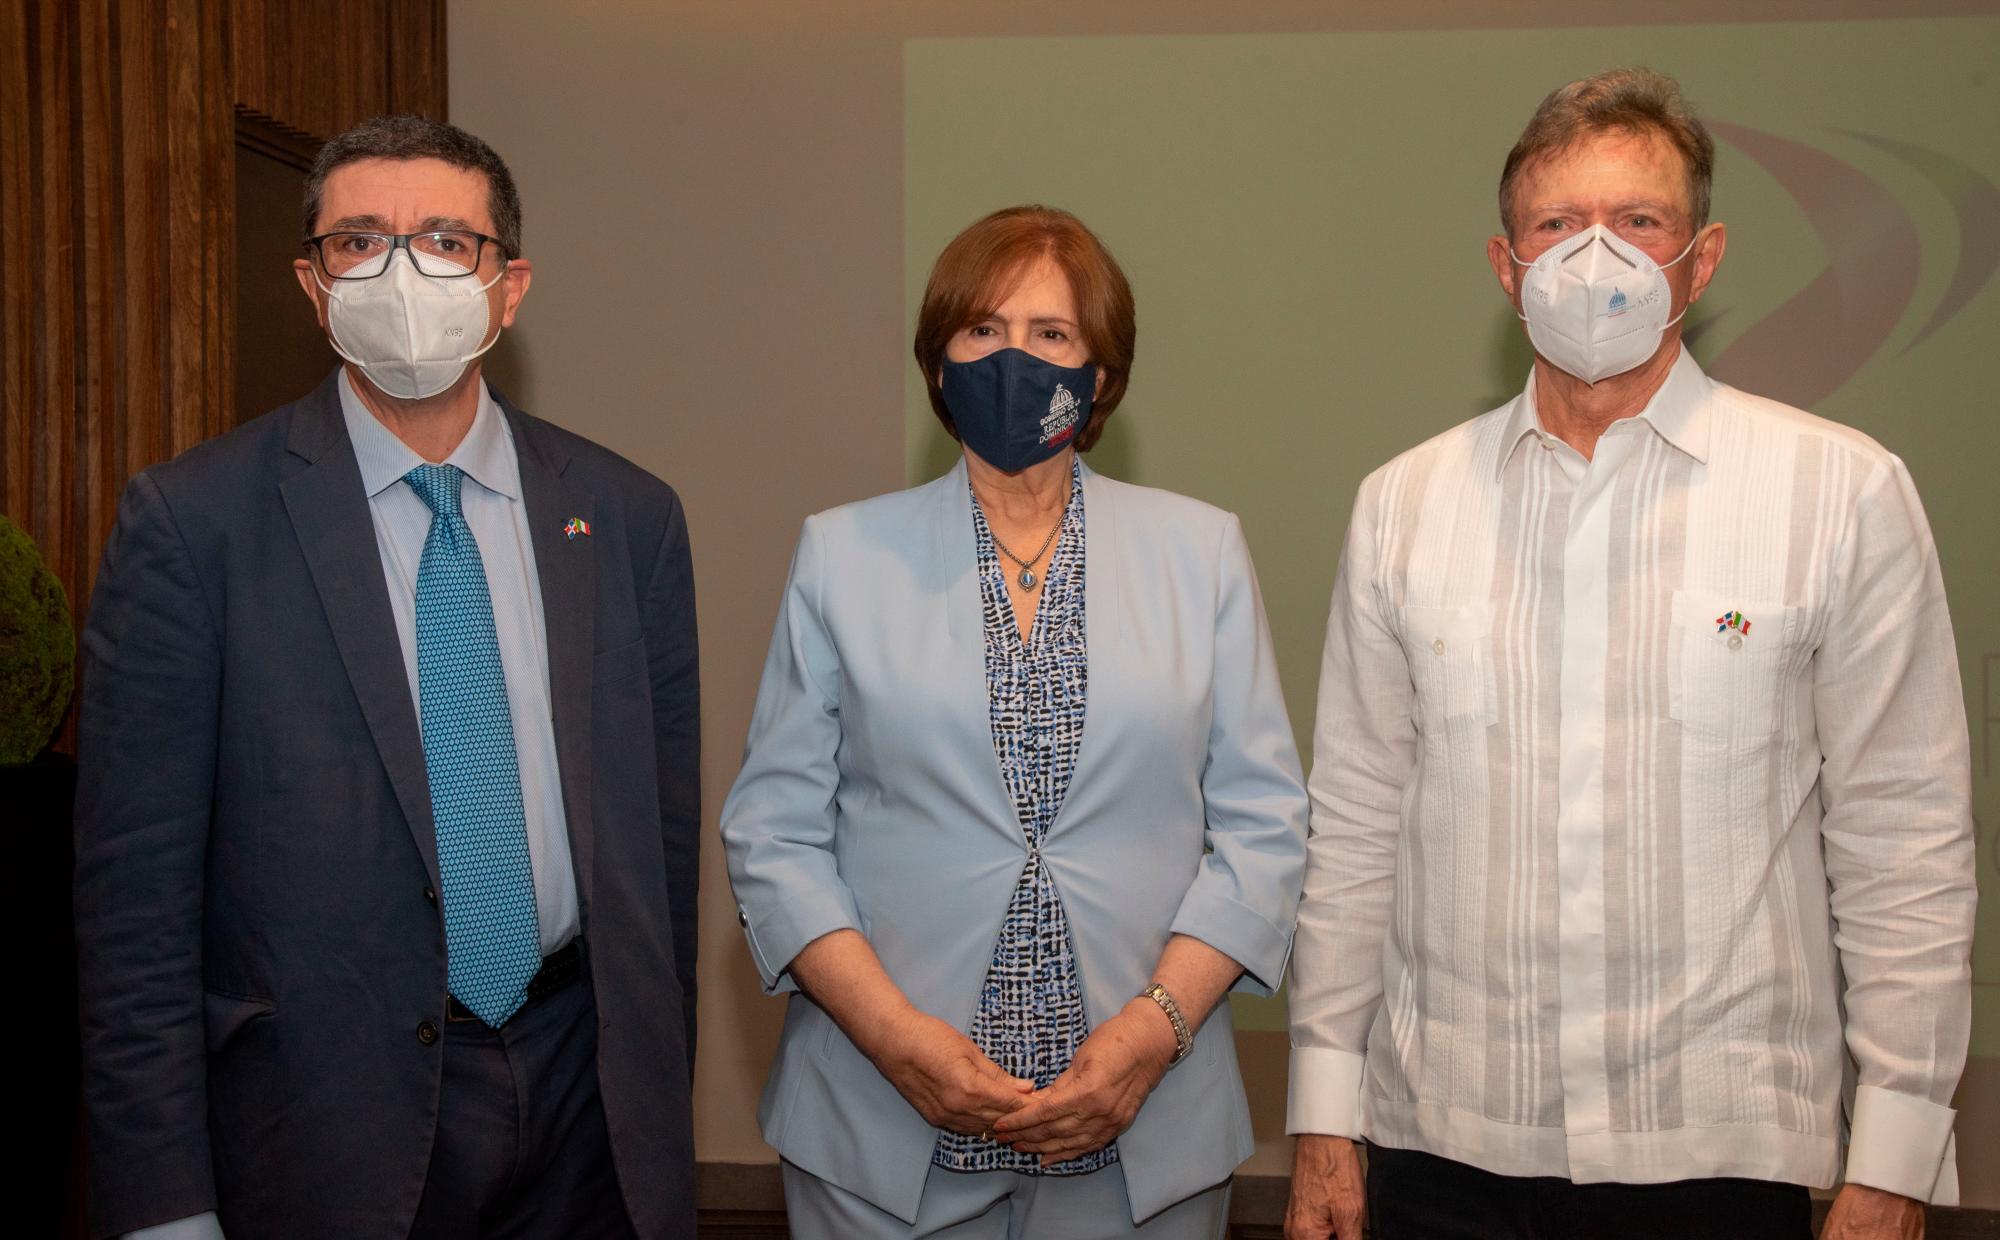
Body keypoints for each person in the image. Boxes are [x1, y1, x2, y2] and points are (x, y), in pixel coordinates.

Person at [1284, 69, 1974, 1240]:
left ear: (1699, 262)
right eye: (1555, 224)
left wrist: (1894, 1161)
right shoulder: (1401, 505)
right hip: (1439, 1148)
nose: (1592, 256)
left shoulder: (1839, 493)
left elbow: (1901, 837)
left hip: (1717, 1156)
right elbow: (1354, 827)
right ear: (1506, 268)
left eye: (1636, 221)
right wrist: (1319, 1117)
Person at [74, 116, 701, 1239]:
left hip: (585, 1098)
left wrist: (655, 1107)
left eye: (447, 242)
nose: (402, 273)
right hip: (323, 1117)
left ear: (508, 288)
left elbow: (660, 853)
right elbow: (135, 911)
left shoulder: (624, 515)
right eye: (360, 242)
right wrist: (164, 1206)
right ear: (313, 286)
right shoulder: (194, 524)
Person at [722, 205, 1308, 1239]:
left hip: (1144, 1123)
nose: (1013, 359)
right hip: (880, 1119)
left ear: (1100, 375)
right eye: (982, 329)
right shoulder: (842, 556)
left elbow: (1264, 828)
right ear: (938, 361)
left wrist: (1151, 1033)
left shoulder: (1200, 552)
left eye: (1051, 333)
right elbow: (774, 835)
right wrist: (894, 1038)